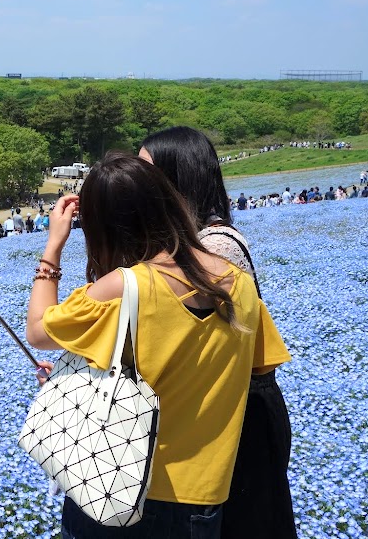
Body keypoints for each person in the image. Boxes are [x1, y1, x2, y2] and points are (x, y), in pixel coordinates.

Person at [25, 152, 290, 539]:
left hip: (121, 492)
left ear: (104, 227)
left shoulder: (124, 286)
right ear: (169, 201)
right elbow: (236, 370)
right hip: (203, 500)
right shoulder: (241, 286)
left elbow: (37, 330)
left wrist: (53, 246)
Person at [140, 126, 297, 539]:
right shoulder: (192, 240)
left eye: (146, 171)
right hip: (225, 412)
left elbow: (201, 349)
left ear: (178, 178)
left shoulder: (215, 247)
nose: (138, 182)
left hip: (241, 418)